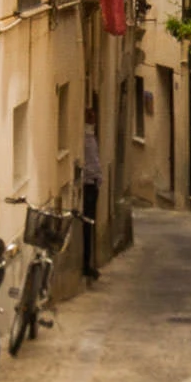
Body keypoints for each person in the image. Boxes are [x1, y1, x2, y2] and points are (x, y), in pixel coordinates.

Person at [80, 103, 102, 279]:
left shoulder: (90, 137)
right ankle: (86, 265)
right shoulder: (87, 139)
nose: (94, 119)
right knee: (88, 225)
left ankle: (88, 264)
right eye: (91, 117)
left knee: (89, 225)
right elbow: (92, 164)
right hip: (88, 185)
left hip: (91, 184)